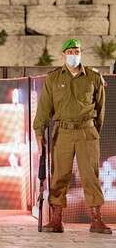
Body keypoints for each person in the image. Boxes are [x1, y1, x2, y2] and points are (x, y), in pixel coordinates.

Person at [34, 39, 112, 234]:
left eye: (76, 51)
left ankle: (96, 220)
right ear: (63, 54)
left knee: (90, 176)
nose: (73, 55)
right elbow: (44, 108)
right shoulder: (53, 78)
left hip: (87, 132)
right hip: (63, 133)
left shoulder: (94, 77)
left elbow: (101, 109)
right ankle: (56, 220)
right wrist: (38, 132)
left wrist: (94, 132)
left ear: (81, 53)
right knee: (59, 176)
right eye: (69, 51)